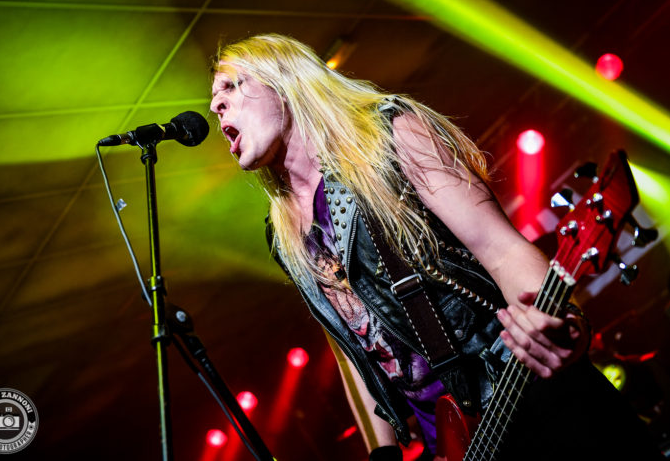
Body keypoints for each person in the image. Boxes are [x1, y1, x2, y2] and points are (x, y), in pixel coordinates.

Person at [209, 34, 661, 461]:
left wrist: (564, 323)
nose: (215, 105)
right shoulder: (283, 234)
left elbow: (499, 247)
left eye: (231, 86)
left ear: (284, 81)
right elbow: (352, 349)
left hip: (523, 393)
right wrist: (383, 453)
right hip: (448, 439)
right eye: (214, 100)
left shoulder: (386, 135)